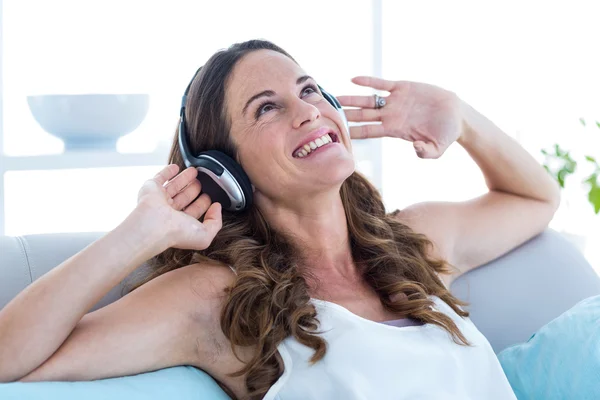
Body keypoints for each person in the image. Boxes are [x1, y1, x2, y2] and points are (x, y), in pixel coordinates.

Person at [0, 40, 560, 399]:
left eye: (309, 90)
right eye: (267, 107)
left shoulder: (414, 244)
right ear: (224, 168)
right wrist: (137, 234)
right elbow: (9, 360)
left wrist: (462, 119)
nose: (309, 111)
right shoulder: (218, 300)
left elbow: (537, 199)